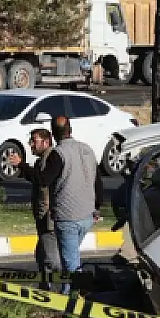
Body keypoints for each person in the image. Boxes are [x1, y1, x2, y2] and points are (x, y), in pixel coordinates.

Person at [41, 114, 102, 289]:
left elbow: (44, 179)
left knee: (71, 265)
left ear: (53, 134)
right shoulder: (87, 149)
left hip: (68, 217)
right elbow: (97, 181)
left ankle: (74, 303)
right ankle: (67, 292)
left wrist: (24, 168)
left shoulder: (58, 154)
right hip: (87, 214)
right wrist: (97, 207)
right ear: (71, 130)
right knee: (70, 258)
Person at [21, 127, 62, 287]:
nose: (31, 144)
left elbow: (43, 179)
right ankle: (45, 287)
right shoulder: (41, 160)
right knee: (41, 255)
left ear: (46, 142)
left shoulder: (52, 157)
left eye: (34, 141)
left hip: (49, 216)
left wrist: (21, 165)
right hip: (41, 216)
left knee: (52, 260)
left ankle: (74, 281)